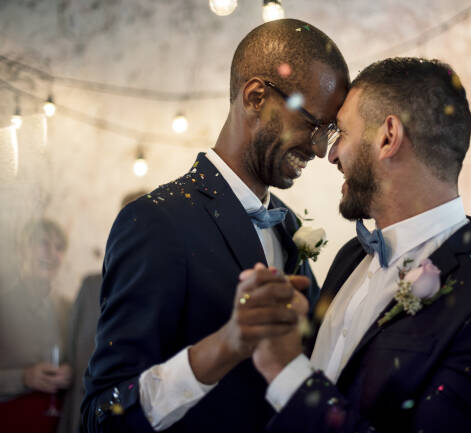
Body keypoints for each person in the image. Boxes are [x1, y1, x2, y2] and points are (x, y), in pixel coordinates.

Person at [241, 57, 471, 433]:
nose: (331, 154)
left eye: (343, 135)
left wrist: (288, 372)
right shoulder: (352, 256)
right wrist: (288, 330)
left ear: (388, 137)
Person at [81, 19, 349, 433]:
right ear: (256, 96)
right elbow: (101, 415)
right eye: (312, 124)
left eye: (327, 133)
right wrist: (222, 347)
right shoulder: (156, 222)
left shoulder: (289, 226)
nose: (318, 149)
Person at [57, 191, 145, 433]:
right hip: (80, 419)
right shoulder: (90, 287)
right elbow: (69, 358)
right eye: (128, 218)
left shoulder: (163, 292)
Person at [0, 218, 72, 433]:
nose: (52, 253)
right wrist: (23, 377)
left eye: (59, 247)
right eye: (43, 243)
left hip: (56, 424)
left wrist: (71, 373)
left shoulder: (69, 309)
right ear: (23, 249)